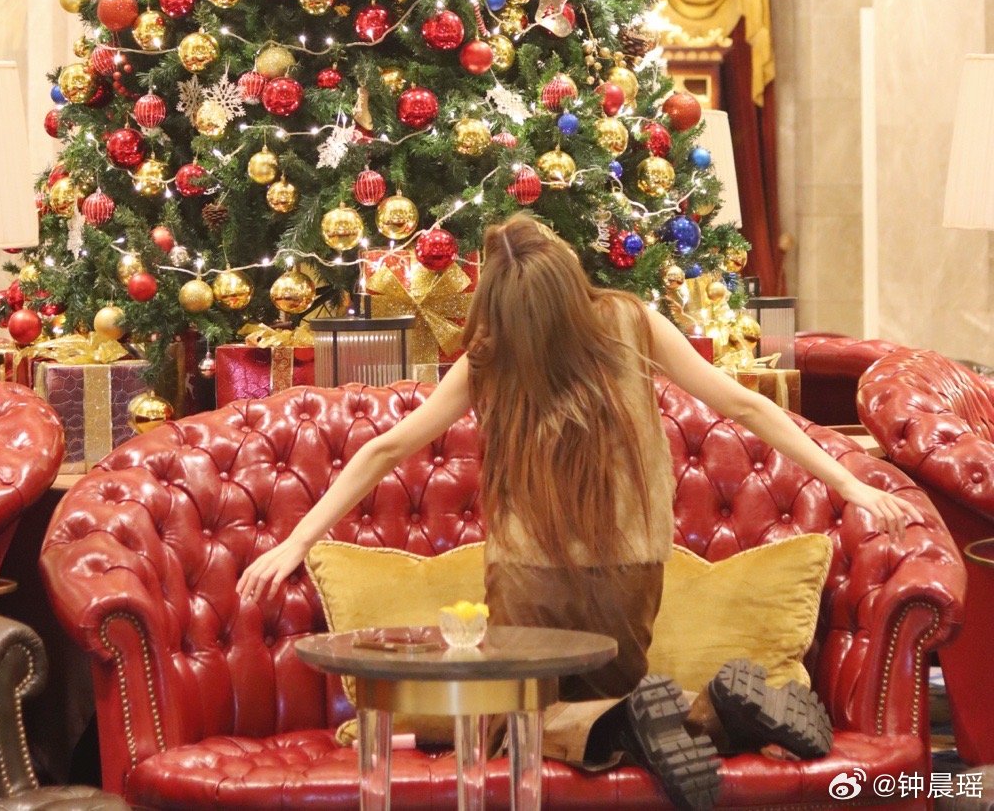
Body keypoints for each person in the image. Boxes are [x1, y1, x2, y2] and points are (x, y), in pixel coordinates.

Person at [239, 214, 912, 810]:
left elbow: (386, 448)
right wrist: (847, 482)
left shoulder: (491, 356)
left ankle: (661, 718)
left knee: (514, 723)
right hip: (632, 571)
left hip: (528, 576)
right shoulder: (631, 321)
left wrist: (297, 540)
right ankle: (709, 712)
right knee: (623, 710)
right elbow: (745, 404)